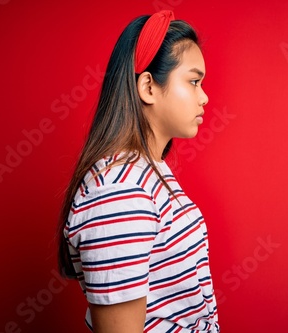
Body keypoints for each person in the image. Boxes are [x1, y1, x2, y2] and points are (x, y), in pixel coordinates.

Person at [57, 10, 220, 332]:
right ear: (148, 86)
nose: (204, 97)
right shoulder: (119, 191)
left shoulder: (147, 172)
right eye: (193, 81)